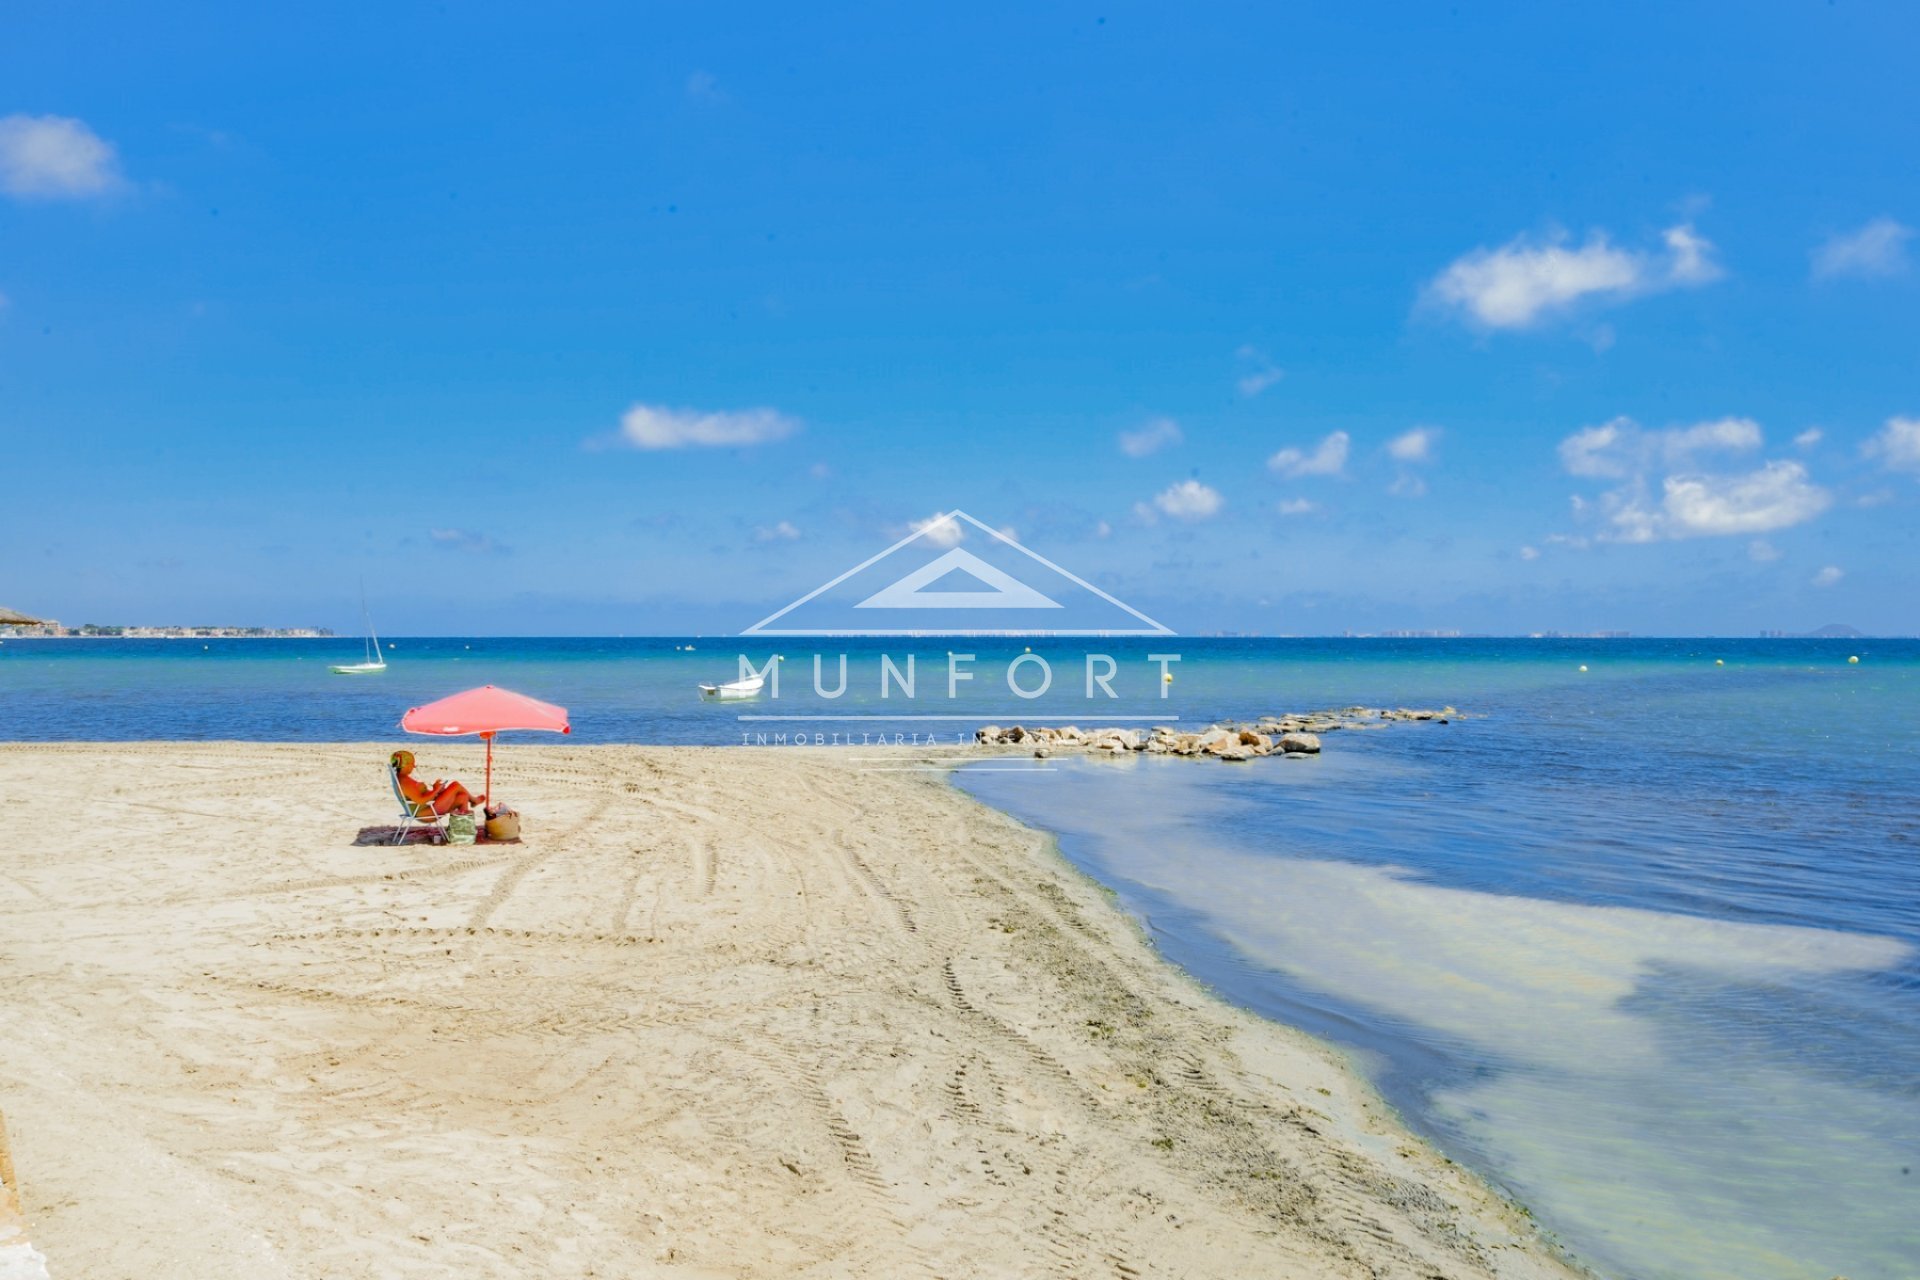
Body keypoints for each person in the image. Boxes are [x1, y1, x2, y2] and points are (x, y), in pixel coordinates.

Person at [390, 749, 484, 816]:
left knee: (462, 797)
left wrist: (436, 790)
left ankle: (462, 829)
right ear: (405, 765)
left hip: (428, 807)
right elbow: (421, 800)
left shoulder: (403, 778)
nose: (414, 767)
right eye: (412, 764)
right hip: (424, 812)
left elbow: (420, 797)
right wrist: (436, 790)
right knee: (455, 785)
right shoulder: (405, 782)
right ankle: (474, 800)